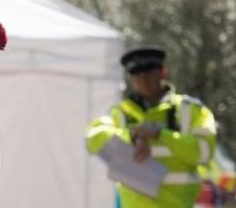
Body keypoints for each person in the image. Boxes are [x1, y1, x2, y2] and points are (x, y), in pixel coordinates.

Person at [85, 46, 217, 208]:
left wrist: (159, 134)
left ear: (163, 72)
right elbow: (94, 137)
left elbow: (204, 152)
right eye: (136, 73)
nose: (143, 78)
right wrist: (133, 137)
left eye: (148, 71)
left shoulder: (191, 110)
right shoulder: (120, 112)